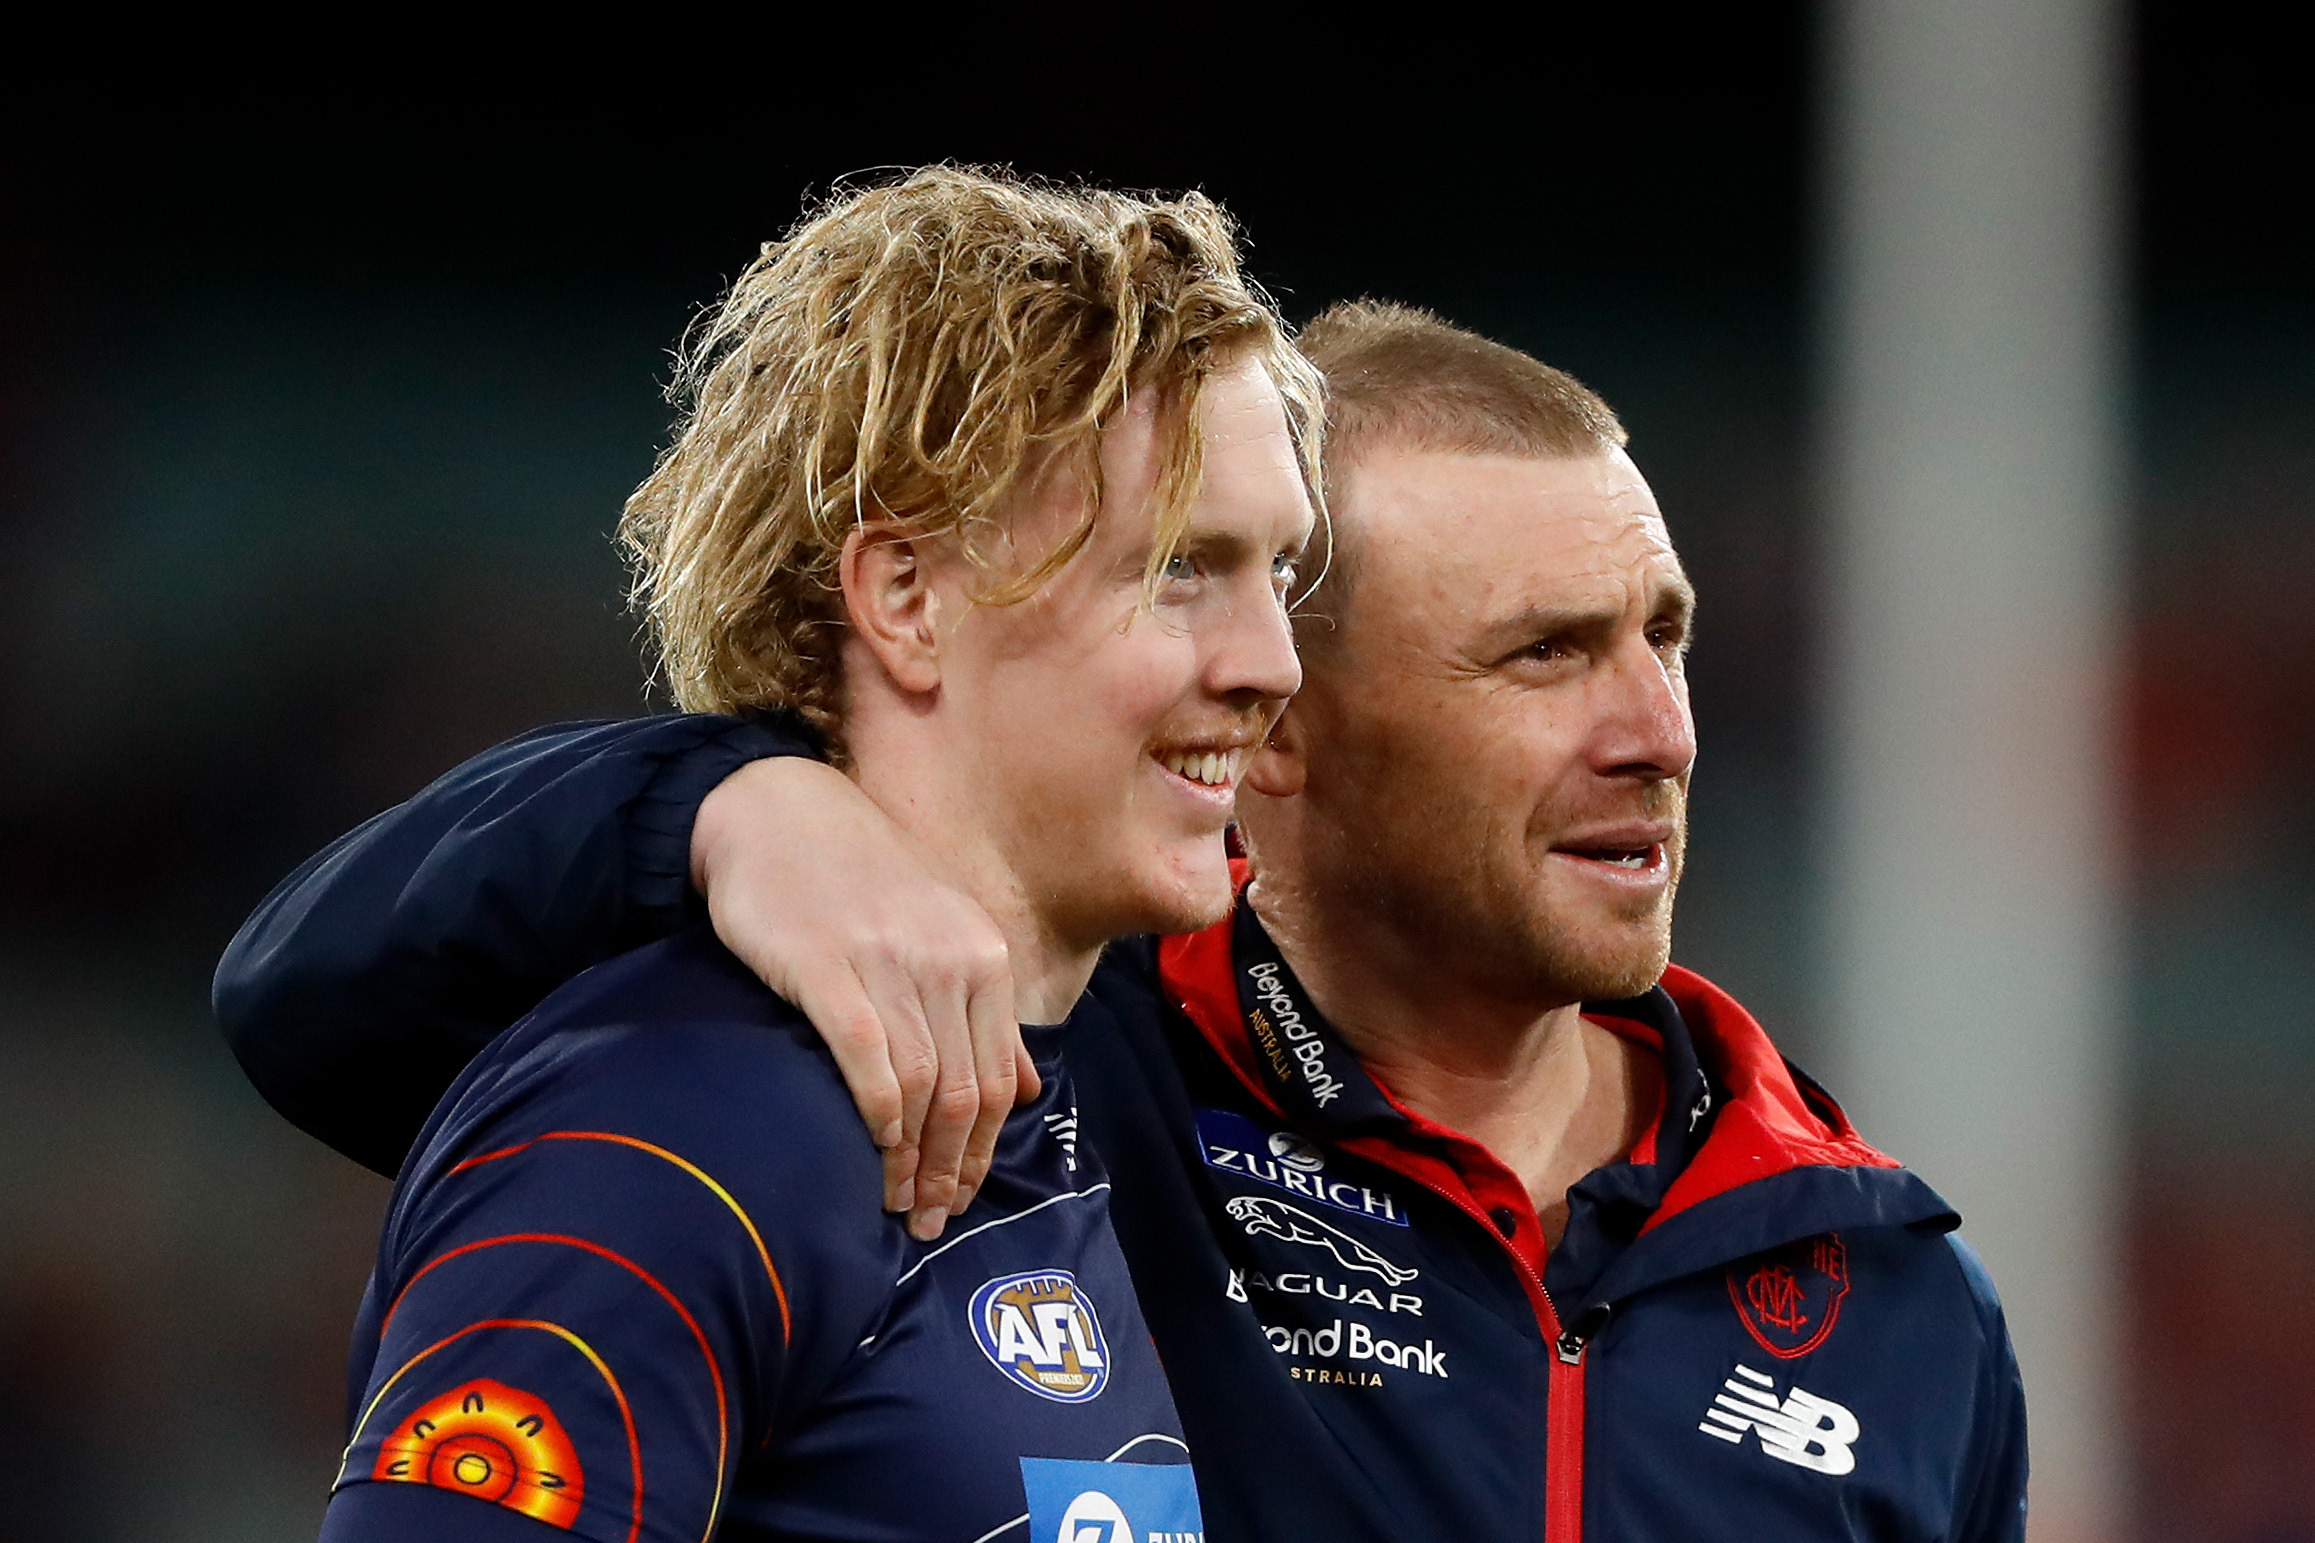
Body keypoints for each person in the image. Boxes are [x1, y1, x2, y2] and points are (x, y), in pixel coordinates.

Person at [222, 303, 2029, 1541]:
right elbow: (304, 989)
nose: (1660, 732)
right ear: (1281, 728)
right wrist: (714, 805)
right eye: (1545, 656)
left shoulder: (1893, 1301)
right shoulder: (1064, 1086)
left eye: (1668, 634)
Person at [286, 165, 1326, 1542]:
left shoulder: (1064, 1099)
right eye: (1179, 570)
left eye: (1284, 574)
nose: (1274, 662)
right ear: (904, 598)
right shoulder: (672, 1128)